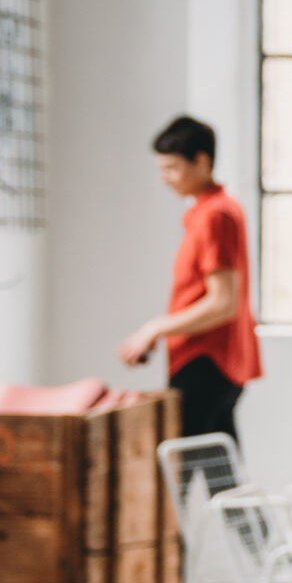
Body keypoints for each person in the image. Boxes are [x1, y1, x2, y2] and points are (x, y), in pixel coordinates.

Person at [119, 116, 262, 439]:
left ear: (202, 161)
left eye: (171, 168)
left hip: (207, 360)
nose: (164, 178)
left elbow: (223, 302)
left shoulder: (216, 215)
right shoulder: (214, 211)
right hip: (215, 360)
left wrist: (154, 328)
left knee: (174, 467)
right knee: (219, 470)